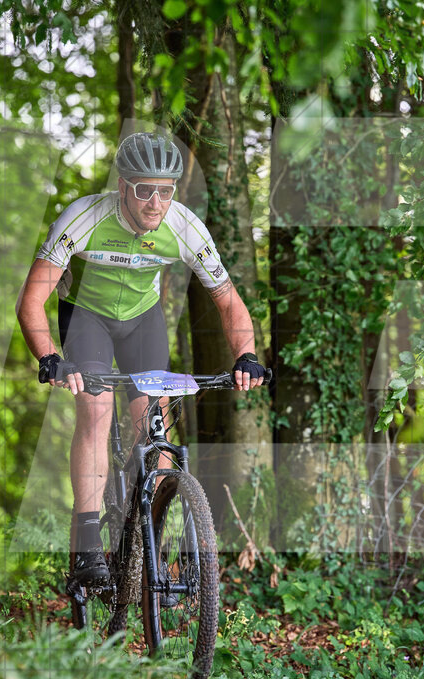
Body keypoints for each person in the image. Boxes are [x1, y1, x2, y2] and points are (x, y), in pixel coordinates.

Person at [16, 131, 266, 587]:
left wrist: (246, 355)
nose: (156, 202)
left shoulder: (184, 226)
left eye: (166, 191)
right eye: (144, 189)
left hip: (140, 321)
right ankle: (88, 546)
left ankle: (152, 550)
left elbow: (229, 301)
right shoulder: (84, 217)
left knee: (153, 425)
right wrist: (51, 357)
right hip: (86, 316)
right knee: (94, 412)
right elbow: (31, 301)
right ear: (123, 185)